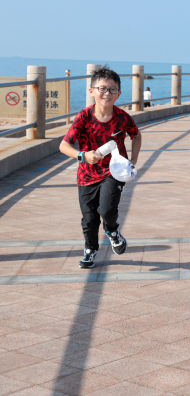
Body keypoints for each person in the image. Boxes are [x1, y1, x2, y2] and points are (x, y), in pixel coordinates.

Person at [59, 67, 141, 269]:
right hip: (86, 175)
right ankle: (90, 249)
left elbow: (136, 136)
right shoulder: (83, 118)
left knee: (107, 209)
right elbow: (64, 145)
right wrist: (83, 156)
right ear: (91, 91)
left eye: (112, 90)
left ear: (119, 94)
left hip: (114, 172)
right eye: (102, 89)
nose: (107, 93)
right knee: (89, 218)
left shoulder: (122, 118)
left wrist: (133, 161)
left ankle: (112, 230)